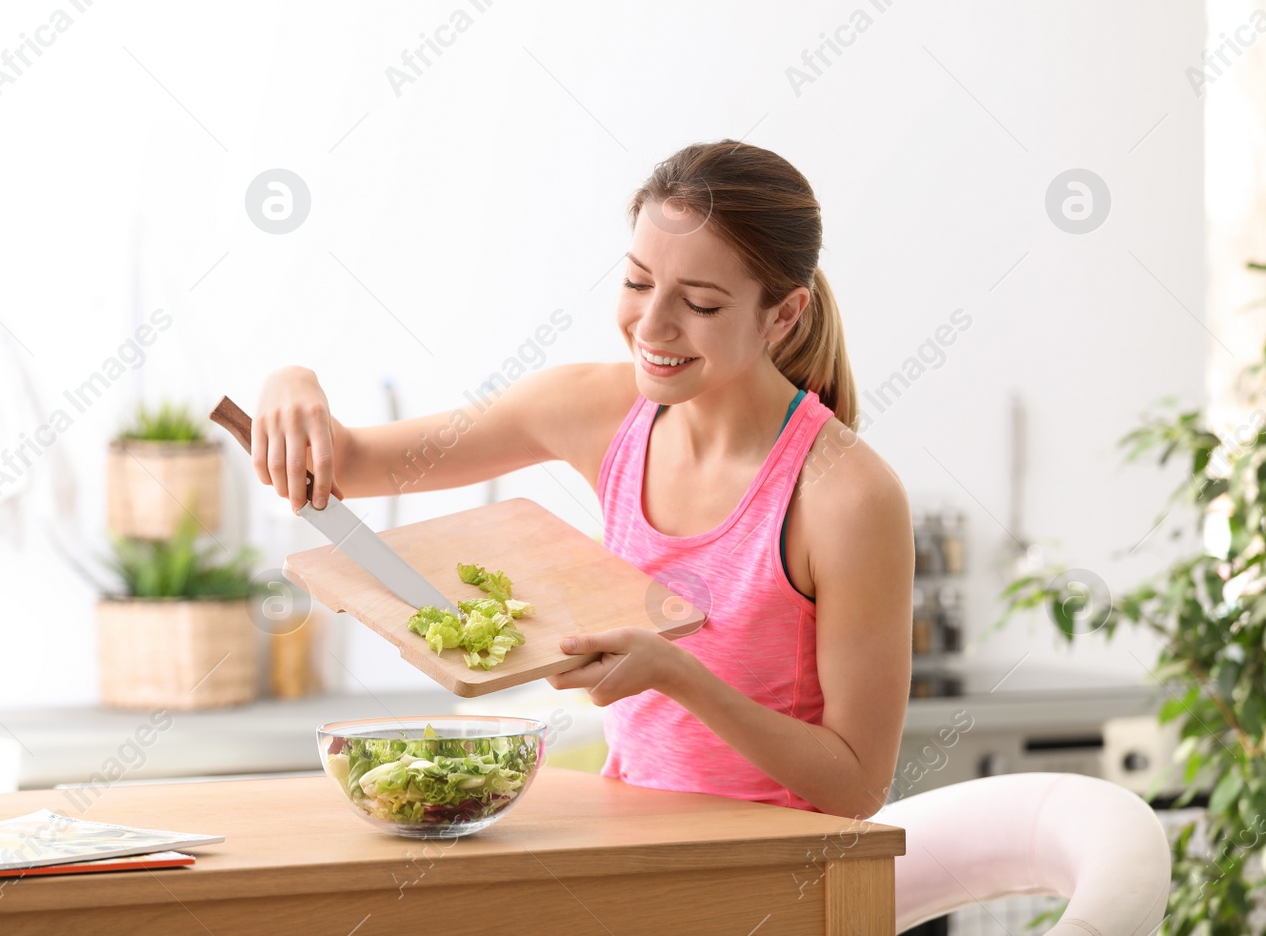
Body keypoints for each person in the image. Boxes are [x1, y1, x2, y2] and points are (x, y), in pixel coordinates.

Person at [251, 140, 913, 820]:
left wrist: (679, 676)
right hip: (628, 853)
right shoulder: (598, 411)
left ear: (783, 314)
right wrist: (290, 381)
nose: (651, 325)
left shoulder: (847, 497)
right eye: (637, 281)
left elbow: (857, 787)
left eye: (703, 304)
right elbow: (350, 464)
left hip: (781, 883)